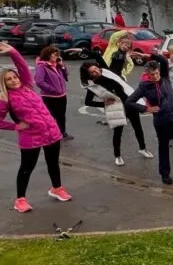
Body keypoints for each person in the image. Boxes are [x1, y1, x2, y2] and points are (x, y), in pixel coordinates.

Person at [0, 43, 72, 212]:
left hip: (51, 132)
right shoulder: (5, 99)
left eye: (14, 77)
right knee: (26, 168)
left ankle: (57, 188)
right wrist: (16, 126)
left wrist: (12, 51)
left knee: (53, 163)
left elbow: (22, 66)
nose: (14, 80)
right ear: (4, 84)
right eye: (9, 79)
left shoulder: (27, 86)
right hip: (31, 137)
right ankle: (20, 200)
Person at [126, 54, 173, 185]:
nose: (155, 76)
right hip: (162, 120)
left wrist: (150, 54)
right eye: (152, 74)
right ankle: (165, 173)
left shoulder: (165, 78)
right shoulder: (144, 87)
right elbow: (129, 102)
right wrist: (146, 109)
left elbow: (162, 61)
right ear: (147, 75)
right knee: (163, 147)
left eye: (156, 73)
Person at [80, 58, 154, 166]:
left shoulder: (108, 75)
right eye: (92, 72)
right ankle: (117, 156)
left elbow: (122, 87)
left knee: (138, 128)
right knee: (118, 133)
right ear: (90, 75)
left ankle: (143, 148)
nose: (96, 71)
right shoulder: (94, 86)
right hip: (116, 108)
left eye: (95, 68)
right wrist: (105, 104)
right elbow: (88, 102)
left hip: (129, 104)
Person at [34, 46, 72, 140]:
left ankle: (62, 133)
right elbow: (39, 81)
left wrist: (62, 65)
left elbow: (65, 76)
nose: (56, 55)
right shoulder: (42, 66)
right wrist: (51, 89)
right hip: (50, 96)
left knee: (61, 116)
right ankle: (48, 134)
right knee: (49, 116)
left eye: (57, 54)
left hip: (61, 96)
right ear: (48, 54)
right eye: (54, 54)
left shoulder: (57, 65)